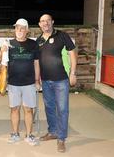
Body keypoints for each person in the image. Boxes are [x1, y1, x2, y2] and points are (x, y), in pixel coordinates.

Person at [36, 14, 77, 152]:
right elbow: (36, 61)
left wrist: (72, 73)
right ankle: (53, 132)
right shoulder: (39, 40)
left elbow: (72, 53)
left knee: (63, 109)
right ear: (39, 24)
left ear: (52, 22)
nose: (45, 23)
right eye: (42, 21)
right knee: (49, 108)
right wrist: (37, 79)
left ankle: (61, 138)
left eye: (47, 20)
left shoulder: (62, 35)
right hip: (46, 81)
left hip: (61, 80)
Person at [0, 18, 40, 146]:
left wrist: (37, 80)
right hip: (13, 83)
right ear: (14, 29)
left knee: (28, 110)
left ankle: (29, 135)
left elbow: (36, 63)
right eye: (17, 28)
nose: (19, 30)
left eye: (22, 28)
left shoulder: (33, 44)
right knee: (14, 109)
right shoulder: (8, 44)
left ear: (27, 30)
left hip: (29, 83)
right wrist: (1, 51)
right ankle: (15, 134)